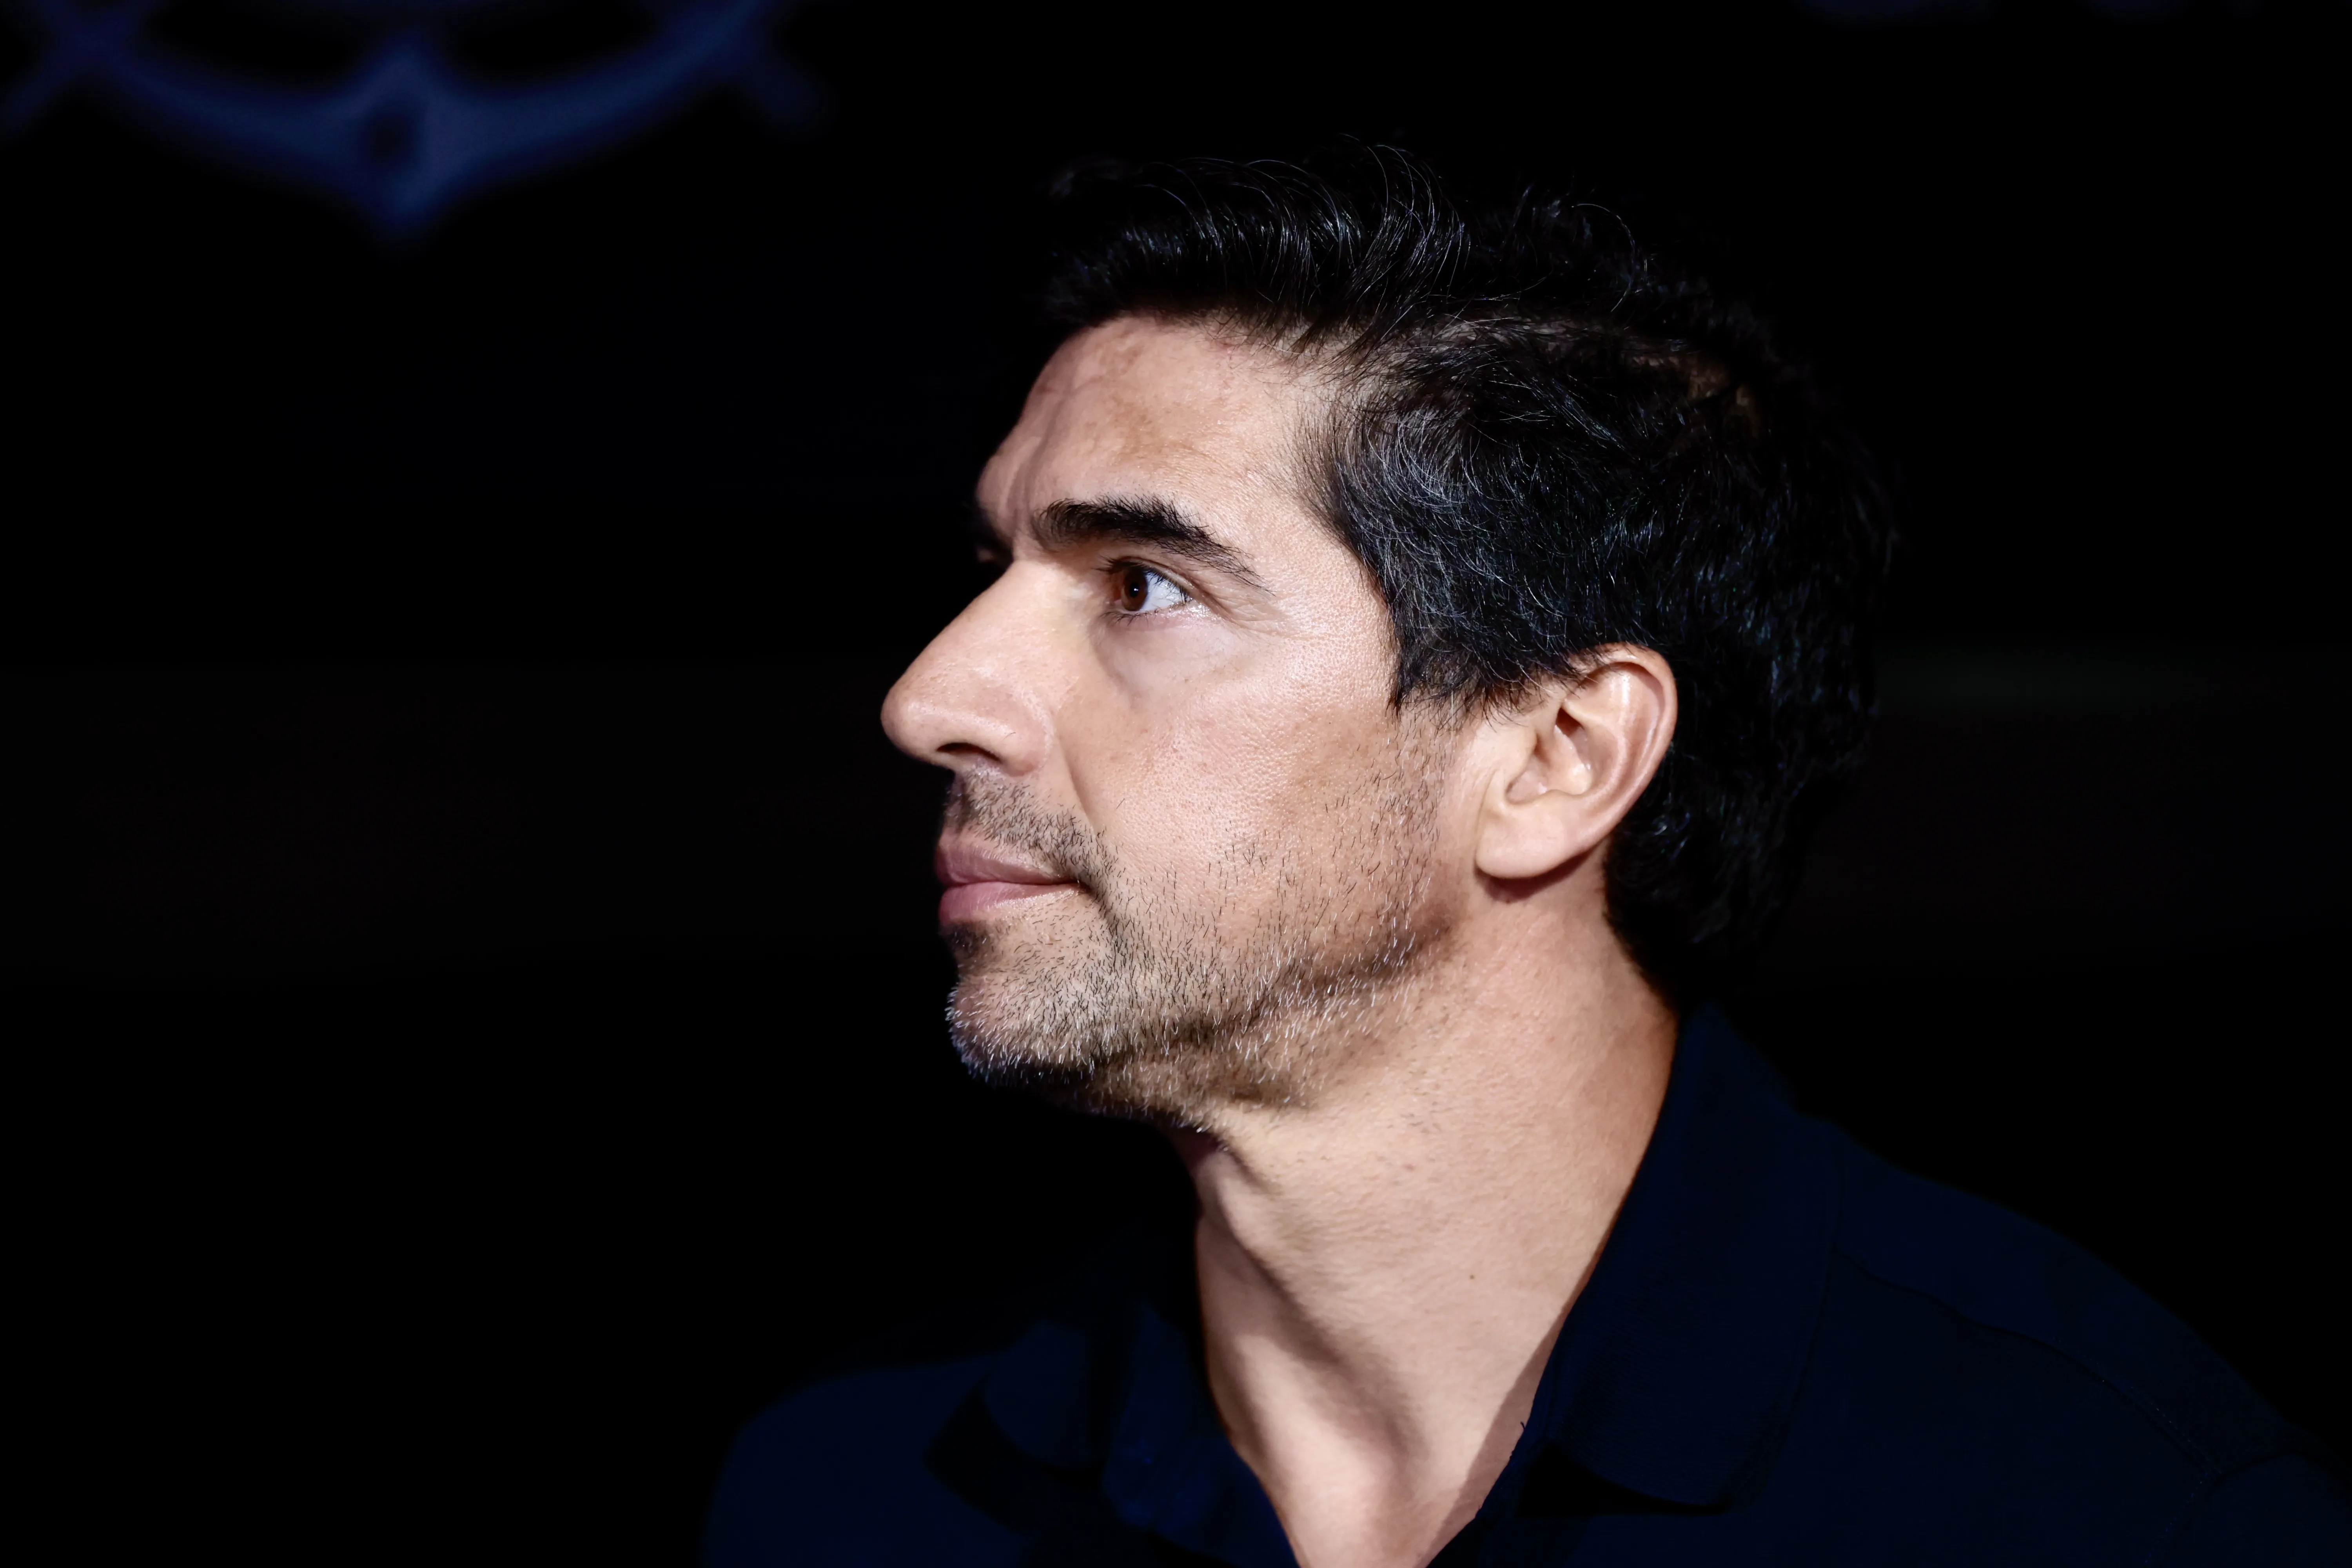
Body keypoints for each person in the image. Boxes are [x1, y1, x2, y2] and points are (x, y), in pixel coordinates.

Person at [705, 150, 2348, 1566]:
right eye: (995, 563)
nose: (932, 696)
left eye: (1144, 583)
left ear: (1560, 758)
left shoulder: (2094, 1509)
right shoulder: (859, 1498)